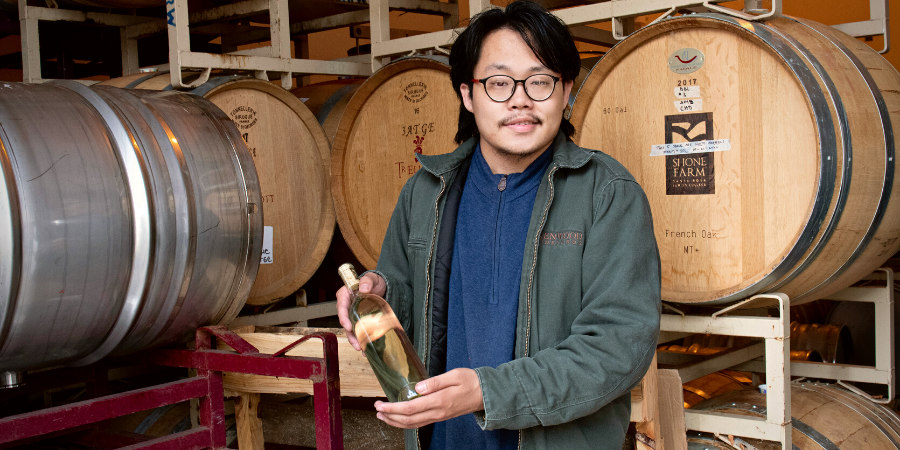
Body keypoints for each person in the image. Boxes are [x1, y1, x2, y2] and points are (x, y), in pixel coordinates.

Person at [336, 1, 661, 449]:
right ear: (468, 95)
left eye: (541, 81)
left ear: (567, 92)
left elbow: (617, 347)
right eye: (499, 82)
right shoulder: (425, 192)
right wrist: (379, 291)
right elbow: (410, 298)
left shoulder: (607, 194)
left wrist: (489, 393)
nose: (520, 99)